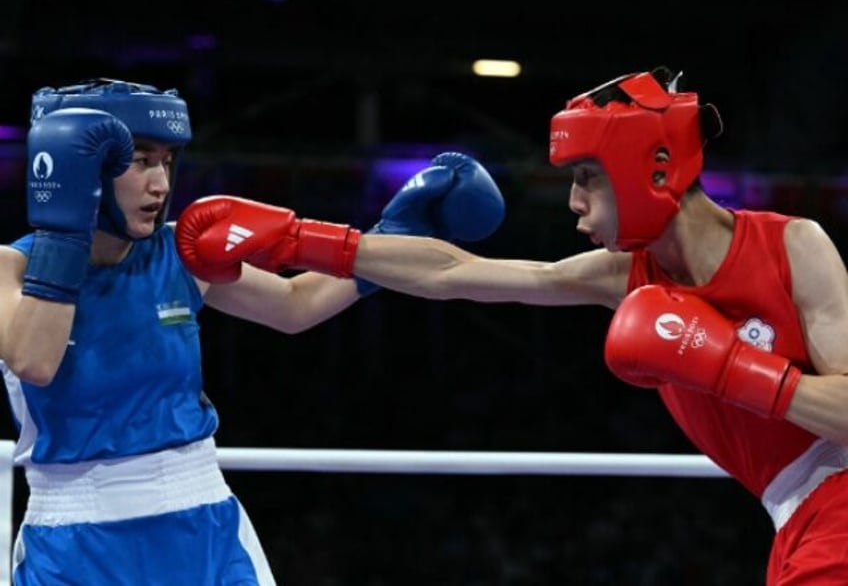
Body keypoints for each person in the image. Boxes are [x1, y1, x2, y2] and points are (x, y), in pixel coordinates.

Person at [177, 66, 848, 584]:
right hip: (797, 520)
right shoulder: (620, 278)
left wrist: (730, 365)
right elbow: (453, 273)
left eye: (588, 177)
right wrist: (299, 240)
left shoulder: (793, 246)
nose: (574, 202)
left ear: (655, 168)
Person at [0, 78, 505, 585]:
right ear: (77, 164)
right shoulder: (9, 269)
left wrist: (392, 238)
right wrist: (64, 232)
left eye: (167, 161)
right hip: (73, 539)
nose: (160, 184)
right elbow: (36, 362)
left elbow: (296, 304)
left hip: (202, 521)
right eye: (140, 161)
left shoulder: (177, 252)